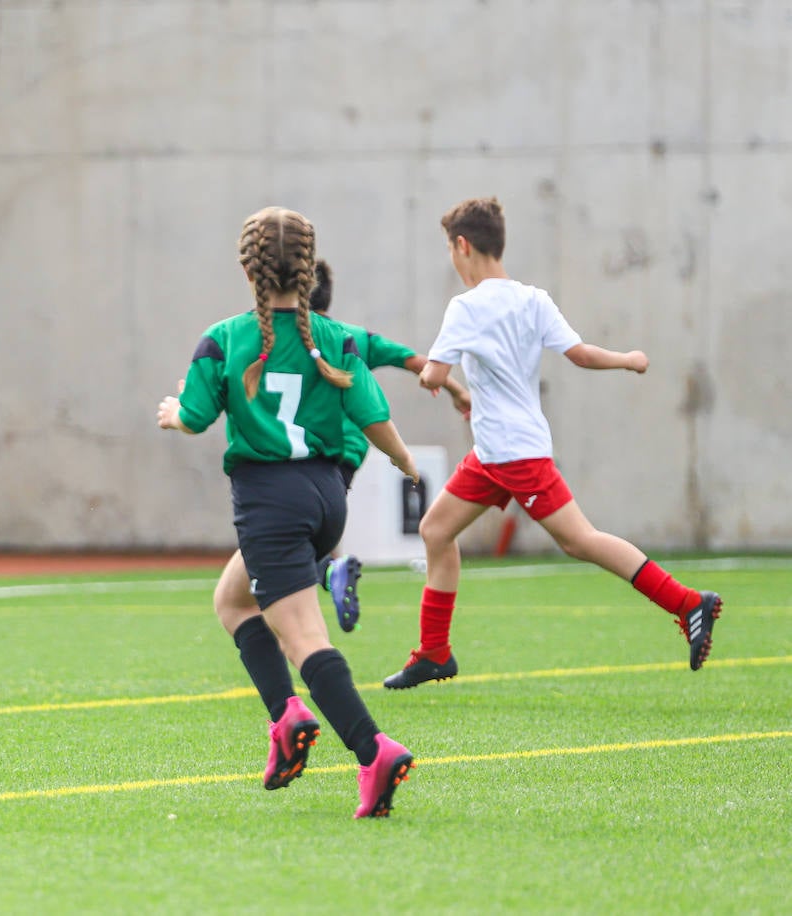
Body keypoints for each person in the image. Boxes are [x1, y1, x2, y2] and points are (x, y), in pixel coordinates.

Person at [383, 196, 722, 689]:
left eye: (449, 250)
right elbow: (580, 354)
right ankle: (434, 652)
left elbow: (432, 374)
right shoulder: (533, 298)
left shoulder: (465, 307)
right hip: (495, 454)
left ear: (462, 246)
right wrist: (627, 358)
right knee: (436, 530)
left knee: (579, 541)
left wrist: (435, 377)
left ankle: (689, 602)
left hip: (515, 456)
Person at [157, 206, 420, 818]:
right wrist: (406, 463)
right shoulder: (335, 338)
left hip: (271, 503)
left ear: (248, 267)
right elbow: (373, 416)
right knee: (232, 600)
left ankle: (373, 749)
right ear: (306, 267)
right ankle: (288, 715)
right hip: (327, 497)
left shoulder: (223, 338)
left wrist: (172, 414)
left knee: (303, 637)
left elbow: (194, 418)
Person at [306, 258, 472, 631]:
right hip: (349, 454)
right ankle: (333, 569)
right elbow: (414, 360)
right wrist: (457, 390)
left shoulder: (285, 339)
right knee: (315, 525)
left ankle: (325, 578)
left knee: (285, 545)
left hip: (307, 451)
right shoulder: (354, 337)